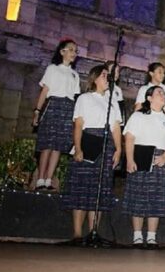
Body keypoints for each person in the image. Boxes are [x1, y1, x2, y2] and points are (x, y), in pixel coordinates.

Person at [61, 64, 122, 243]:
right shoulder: (85, 98)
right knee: (82, 188)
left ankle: (93, 231)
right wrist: (78, 148)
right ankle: (78, 233)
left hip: (106, 143)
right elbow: (79, 124)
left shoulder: (112, 101)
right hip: (88, 140)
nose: (107, 78)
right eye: (104, 75)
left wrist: (118, 149)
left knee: (100, 190)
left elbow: (116, 127)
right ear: (95, 78)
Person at [122, 86, 165, 247]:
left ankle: (152, 236)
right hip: (141, 155)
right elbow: (130, 138)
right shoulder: (138, 116)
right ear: (149, 98)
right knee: (138, 197)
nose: (162, 95)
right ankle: (137, 235)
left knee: (157, 199)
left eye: (163, 93)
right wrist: (129, 159)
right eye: (158, 93)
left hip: (161, 158)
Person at [33, 39, 80, 191]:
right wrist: (37, 111)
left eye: (75, 51)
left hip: (68, 108)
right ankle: (40, 177)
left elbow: (75, 96)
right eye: (71, 50)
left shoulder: (75, 74)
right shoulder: (53, 69)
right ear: (62, 52)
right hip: (54, 105)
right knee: (47, 142)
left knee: (58, 146)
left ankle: (49, 178)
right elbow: (45, 91)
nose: (74, 53)